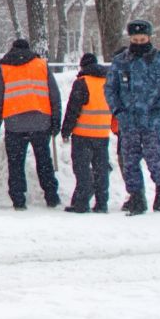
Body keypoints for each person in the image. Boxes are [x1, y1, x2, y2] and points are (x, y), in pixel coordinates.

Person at [106, 19, 160, 215]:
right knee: (130, 161)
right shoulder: (120, 62)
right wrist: (118, 111)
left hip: (152, 121)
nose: (139, 43)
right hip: (128, 121)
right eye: (135, 40)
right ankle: (137, 197)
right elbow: (110, 89)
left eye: (142, 39)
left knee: (154, 157)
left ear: (149, 38)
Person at [0, 37, 63, 210]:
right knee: (44, 161)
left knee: (16, 164)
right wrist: (56, 119)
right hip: (40, 122)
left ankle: (18, 199)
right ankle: (51, 196)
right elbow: (54, 94)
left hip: (14, 123)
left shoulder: (4, 67)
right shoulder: (41, 64)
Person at [60, 52, 112, 213]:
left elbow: (73, 109)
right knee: (101, 170)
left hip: (83, 134)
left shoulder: (82, 82)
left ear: (82, 67)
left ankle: (81, 204)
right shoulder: (108, 83)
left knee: (82, 170)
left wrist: (66, 130)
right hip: (102, 134)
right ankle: (102, 203)